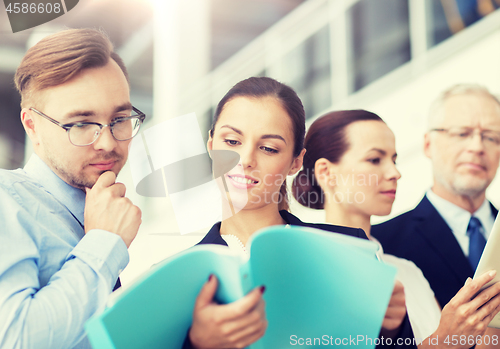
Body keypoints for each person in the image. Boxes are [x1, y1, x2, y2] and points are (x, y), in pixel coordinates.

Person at [0, 28, 265, 349]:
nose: (109, 143)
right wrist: (104, 242)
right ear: (32, 125)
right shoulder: (8, 200)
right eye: (82, 124)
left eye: (120, 118)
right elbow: (15, 340)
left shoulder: (107, 209)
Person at [194, 77, 416, 348]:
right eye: (231, 141)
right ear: (210, 144)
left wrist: (391, 330)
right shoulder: (181, 275)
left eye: (268, 148)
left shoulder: (350, 249)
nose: (246, 160)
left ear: (296, 162)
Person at [292, 109, 500, 348]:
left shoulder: (409, 271)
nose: (395, 173)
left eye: (394, 159)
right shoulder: (307, 268)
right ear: (326, 172)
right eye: (374, 159)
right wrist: (445, 340)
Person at [371, 84, 500, 309]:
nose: (478, 146)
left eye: (491, 137)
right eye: (462, 133)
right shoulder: (382, 245)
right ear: (428, 145)